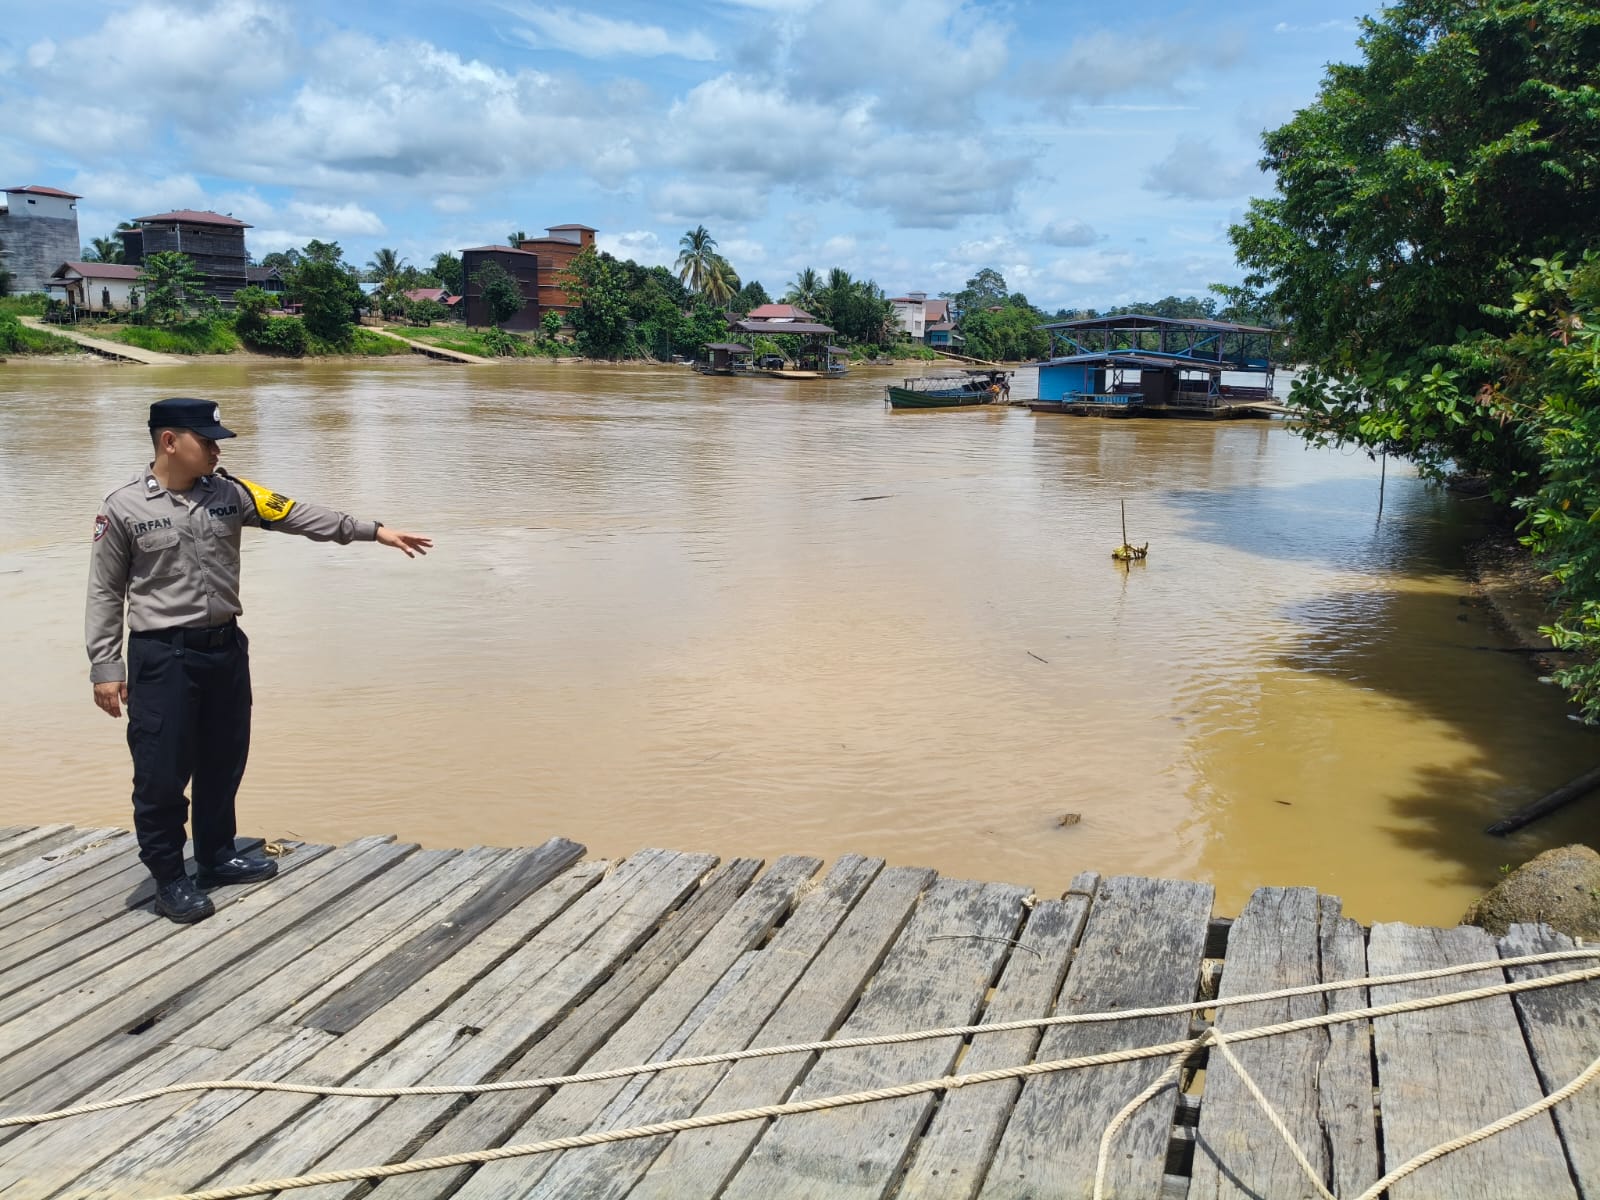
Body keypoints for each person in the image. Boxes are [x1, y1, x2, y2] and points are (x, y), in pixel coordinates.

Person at [86, 397, 432, 924]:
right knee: (160, 774)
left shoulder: (231, 492)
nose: (216, 449)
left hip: (224, 649)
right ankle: (169, 879)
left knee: (223, 760)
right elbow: (105, 593)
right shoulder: (123, 508)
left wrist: (372, 530)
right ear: (169, 441)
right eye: (208, 440)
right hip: (163, 657)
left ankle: (216, 855)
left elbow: (296, 513)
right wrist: (106, 669)